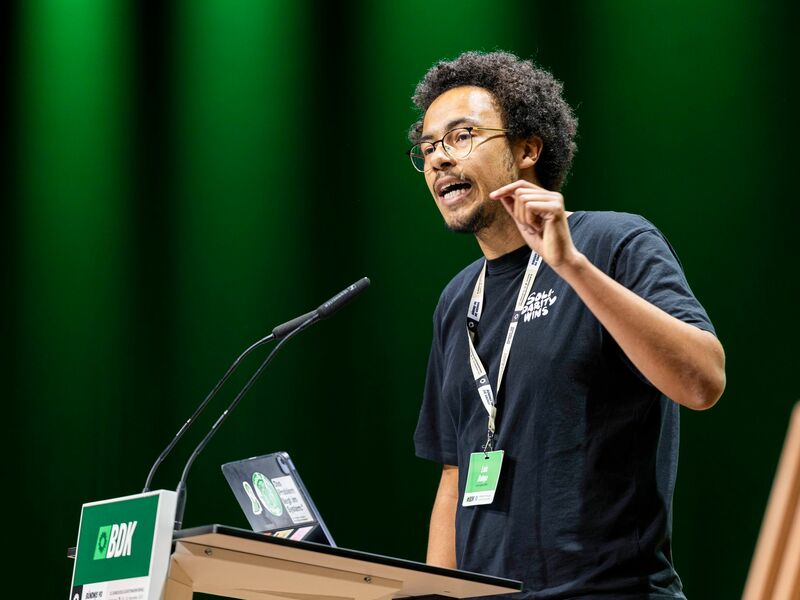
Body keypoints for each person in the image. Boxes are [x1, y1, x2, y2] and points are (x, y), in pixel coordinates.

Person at [410, 51, 725, 599]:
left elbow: (703, 382)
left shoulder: (614, 243)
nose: (439, 159)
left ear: (528, 148)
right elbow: (455, 477)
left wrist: (571, 266)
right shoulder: (457, 299)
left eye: (461, 136)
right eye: (429, 147)